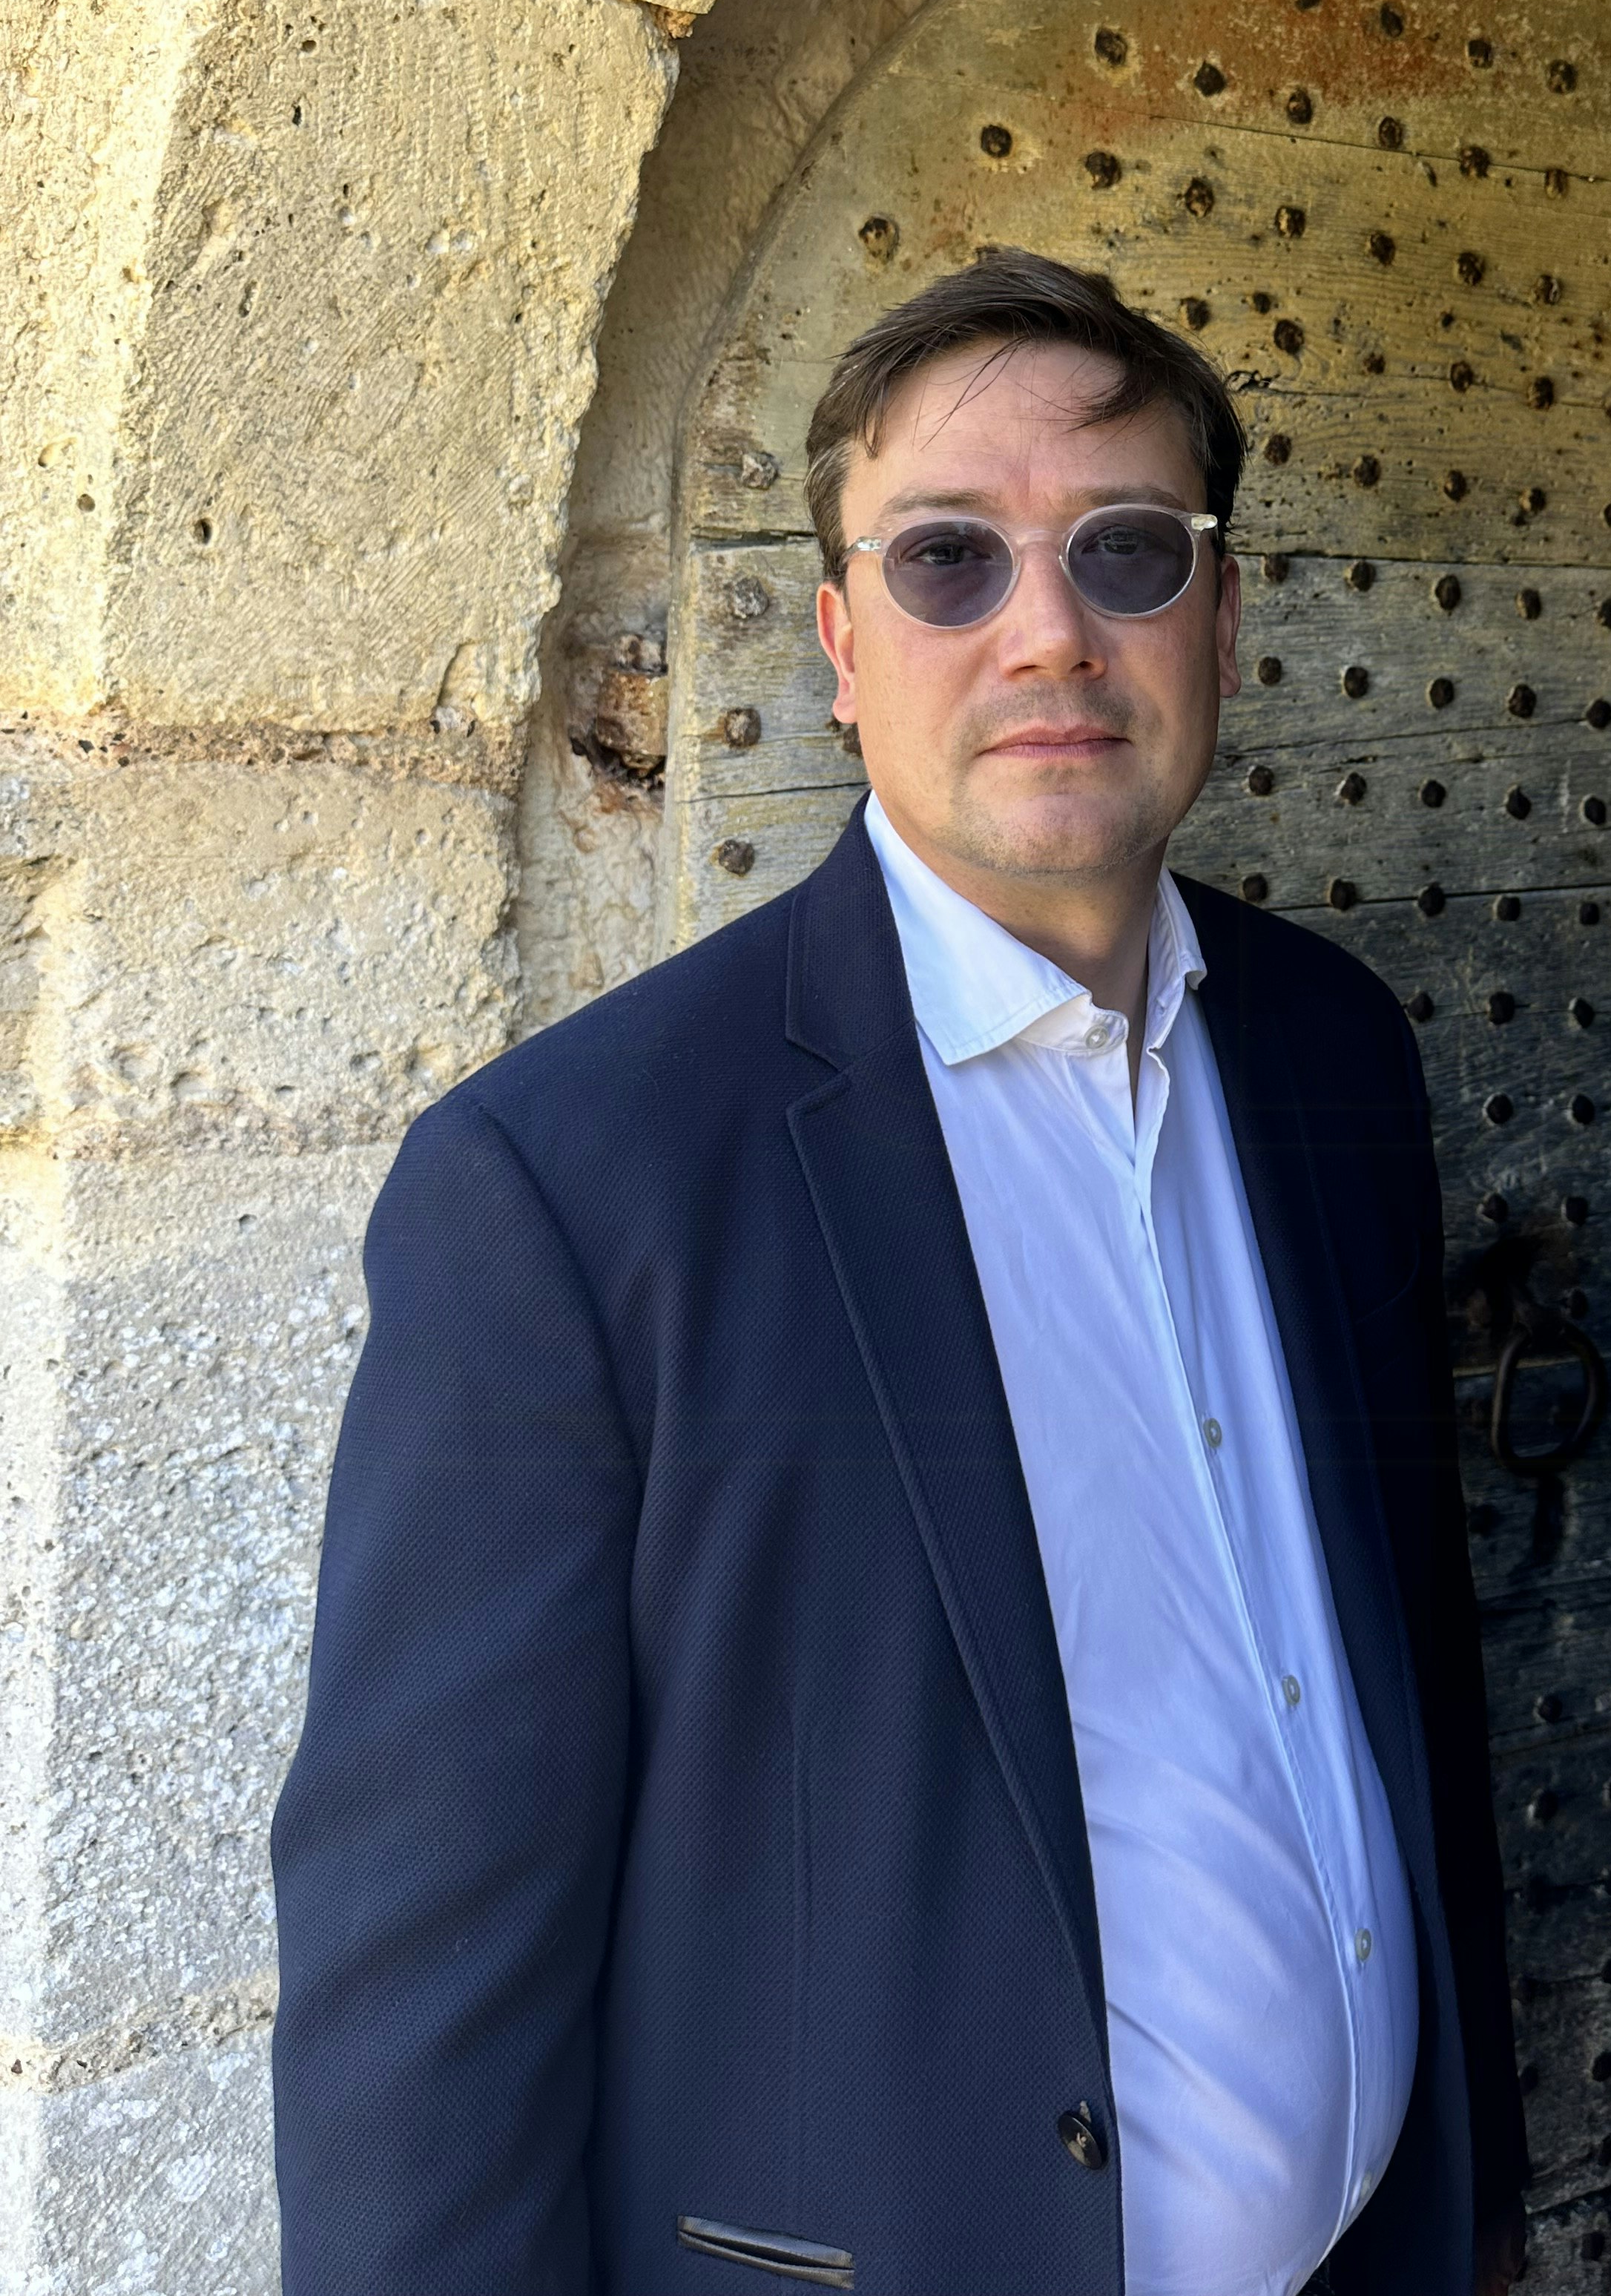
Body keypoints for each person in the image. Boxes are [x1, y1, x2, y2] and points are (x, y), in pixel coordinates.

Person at [271, 249, 1526, 2296]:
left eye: (1129, 550)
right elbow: (423, 1996)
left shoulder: (1337, 1056)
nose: (1048, 631)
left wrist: (1466, 2193)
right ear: (844, 646)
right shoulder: (569, 1189)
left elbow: (1401, 1675)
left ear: (1221, 618)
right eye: (949, 559)